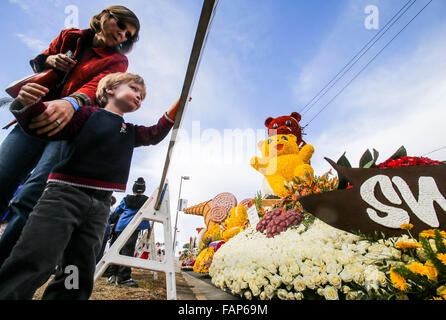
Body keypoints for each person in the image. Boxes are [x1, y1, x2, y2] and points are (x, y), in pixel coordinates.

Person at [0, 72, 179, 299]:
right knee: (37, 256)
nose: (139, 97)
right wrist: (28, 106)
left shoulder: (128, 131)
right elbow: (45, 124)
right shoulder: (84, 115)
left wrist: (177, 107)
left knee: (78, 268)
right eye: (134, 89)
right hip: (63, 196)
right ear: (110, 90)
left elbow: (154, 133)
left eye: (142, 96)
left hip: (100, 207)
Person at [0, 5, 140, 268]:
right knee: (2, 176)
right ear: (105, 16)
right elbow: (40, 60)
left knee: (32, 196)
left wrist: (72, 102)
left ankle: (4, 267)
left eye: (128, 35)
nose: (122, 35)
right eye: (121, 26)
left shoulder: (118, 62)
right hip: (31, 114)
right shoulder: (70, 36)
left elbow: (96, 87)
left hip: (66, 127)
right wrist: (49, 60)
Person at [105, 177, 150, 287]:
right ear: (144, 189)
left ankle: (112, 274)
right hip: (133, 226)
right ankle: (124, 278)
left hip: (121, 226)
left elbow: (118, 210)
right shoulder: (147, 200)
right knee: (127, 251)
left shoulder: (126, 199)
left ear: (133, 189)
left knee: (115, 249)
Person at [95, 195, 117, 264]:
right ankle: (97, 264)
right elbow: (114, 220)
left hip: (97, 228)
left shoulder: (100, 206)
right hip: (106, 229)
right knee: (101, 249)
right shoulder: (113, 210)